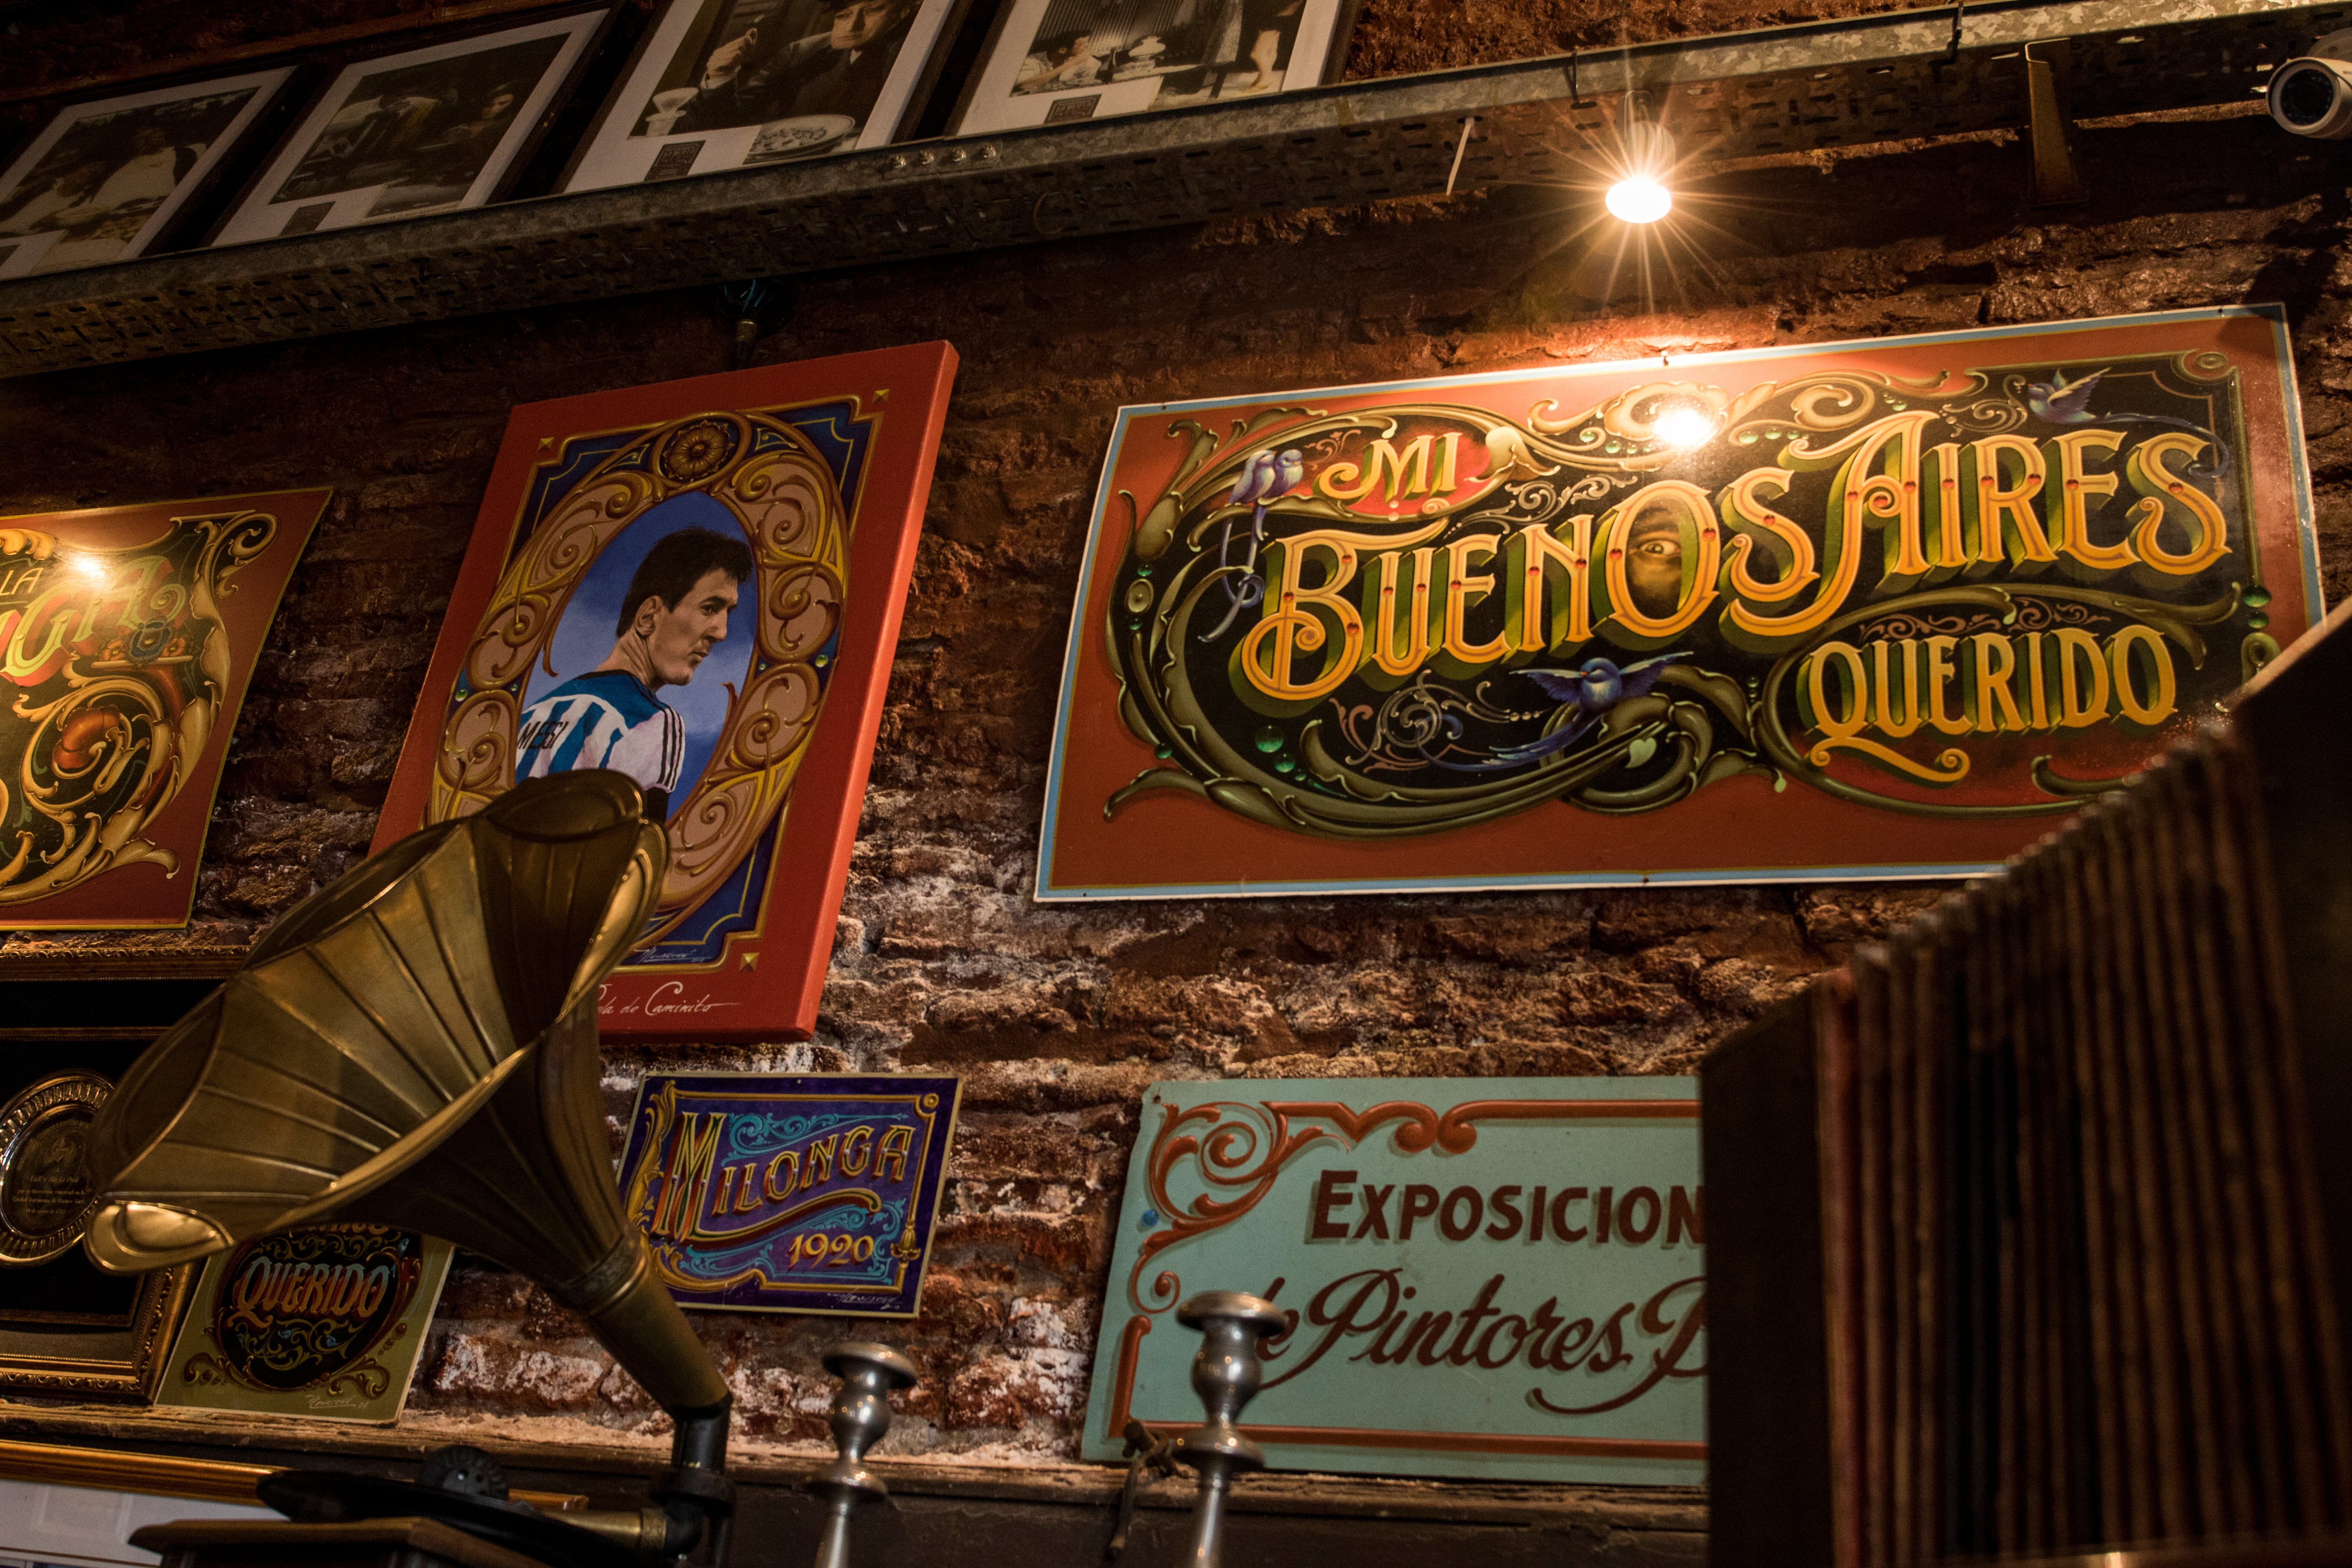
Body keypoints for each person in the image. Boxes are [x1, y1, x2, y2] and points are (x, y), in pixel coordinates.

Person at [514, 527, 754, 820]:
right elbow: (638, 860)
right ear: (649, 616)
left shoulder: (530, 716)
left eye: (727, 613)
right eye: (709, 608)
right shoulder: (649, 719)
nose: (722, 633)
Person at [674, 0, 917, 133]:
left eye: (874, 10)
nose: (853, 25)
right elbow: (728, 122)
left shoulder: (916, 46)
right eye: (843, 15)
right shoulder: (801, 52)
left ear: (905, 8)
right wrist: (720, 75)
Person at [1017, 30, 1104, 93]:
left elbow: (1094, 66)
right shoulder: (1033, 61)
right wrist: (1071, 64)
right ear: (1063, 50)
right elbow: (1023, 85)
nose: (1087, 46)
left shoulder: (1071, 57)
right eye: (1081, 45)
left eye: (1086, 43)